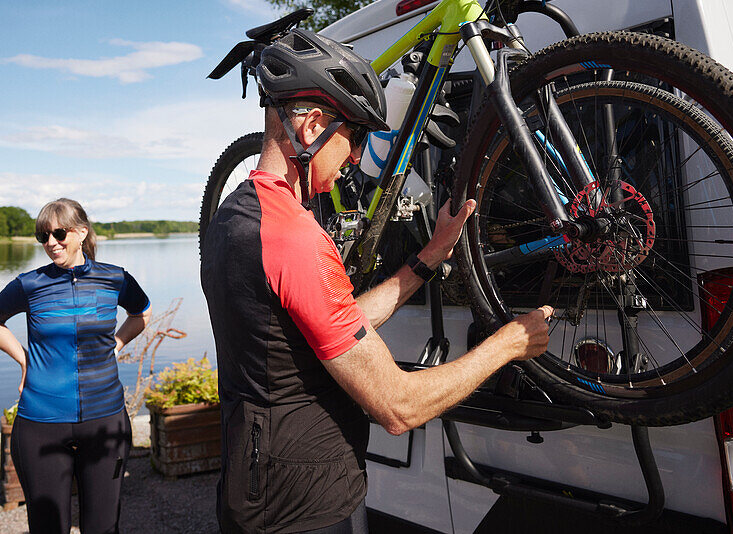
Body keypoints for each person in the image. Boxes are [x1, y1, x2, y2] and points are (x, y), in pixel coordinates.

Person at [201, 29, 553, 534]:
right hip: (301, 512)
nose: (356, 156)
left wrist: (426, 259)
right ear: (312, 126)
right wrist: (509, 344)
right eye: (357, 135)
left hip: (260, 487)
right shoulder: (292, 238)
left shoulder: (238, 217)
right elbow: (398, 406)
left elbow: (329, 324)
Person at [0, 198, 151, 534]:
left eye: (59, 233)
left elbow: (141, 313)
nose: (51, 243)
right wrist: (24, 359)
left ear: (82, 232)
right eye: (43, 237)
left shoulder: (114, 279)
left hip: (105, 419)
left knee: (103, 527)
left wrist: (116, 344)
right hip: (42, 422)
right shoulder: (30, 285)